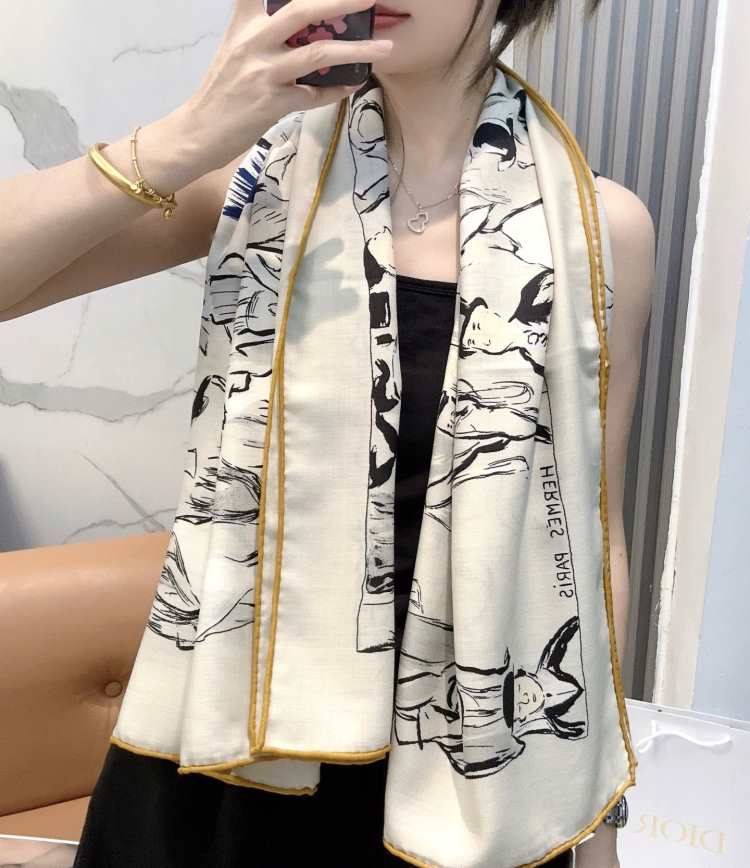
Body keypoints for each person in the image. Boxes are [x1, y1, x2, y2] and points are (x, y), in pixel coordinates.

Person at [0, 1, 655, 865]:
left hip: (477, 772)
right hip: (234, 741)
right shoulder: (258, 180)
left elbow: (595, 539)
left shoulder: (599, 233)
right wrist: (192, 130)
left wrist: (595, 818)